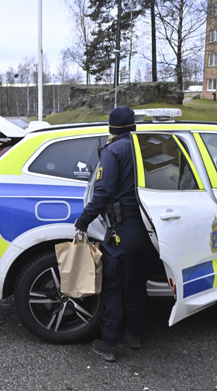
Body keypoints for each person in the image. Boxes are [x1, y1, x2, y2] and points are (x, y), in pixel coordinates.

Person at [73, 106, 157, 362]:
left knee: (113, 287)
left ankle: (109, 344)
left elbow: (104, 192)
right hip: (149, 230)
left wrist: (83, 221)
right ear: (132, 125)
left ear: (112, 128)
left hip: (122, 230)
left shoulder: (113, 151)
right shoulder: (147, 146)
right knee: (137, 284)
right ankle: (134, 335)